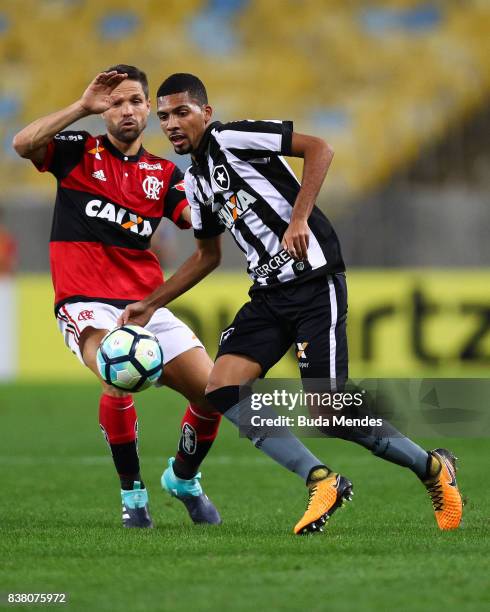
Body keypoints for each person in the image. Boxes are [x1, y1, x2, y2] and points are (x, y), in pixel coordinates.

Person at [120, 73, 463, 534]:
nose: (172, 123)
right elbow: (207, 256)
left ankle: (432, 469)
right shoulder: (196, 180)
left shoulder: (232, 136)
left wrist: (298, 219)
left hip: (313, 281)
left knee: (329, 410)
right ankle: (321, 480)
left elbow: (320, 147)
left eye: (182, 112)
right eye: (164, 116)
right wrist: (148, 304)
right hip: (267, 295)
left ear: (206, 111)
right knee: (221, 388)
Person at [12, 65, 224, 529]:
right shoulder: (75, 151)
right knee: (116, 369)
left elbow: (193, 218)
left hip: (145, 304)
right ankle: (133, 496)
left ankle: (183, 478)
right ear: (103, 109)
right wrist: (81, 107)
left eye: (134, 101)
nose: (125, 110)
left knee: (214, 394)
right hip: (84, 301)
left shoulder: (164, 172)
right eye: (115, 102)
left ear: (148, 109)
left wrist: (217, 201)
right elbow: (22, 144)